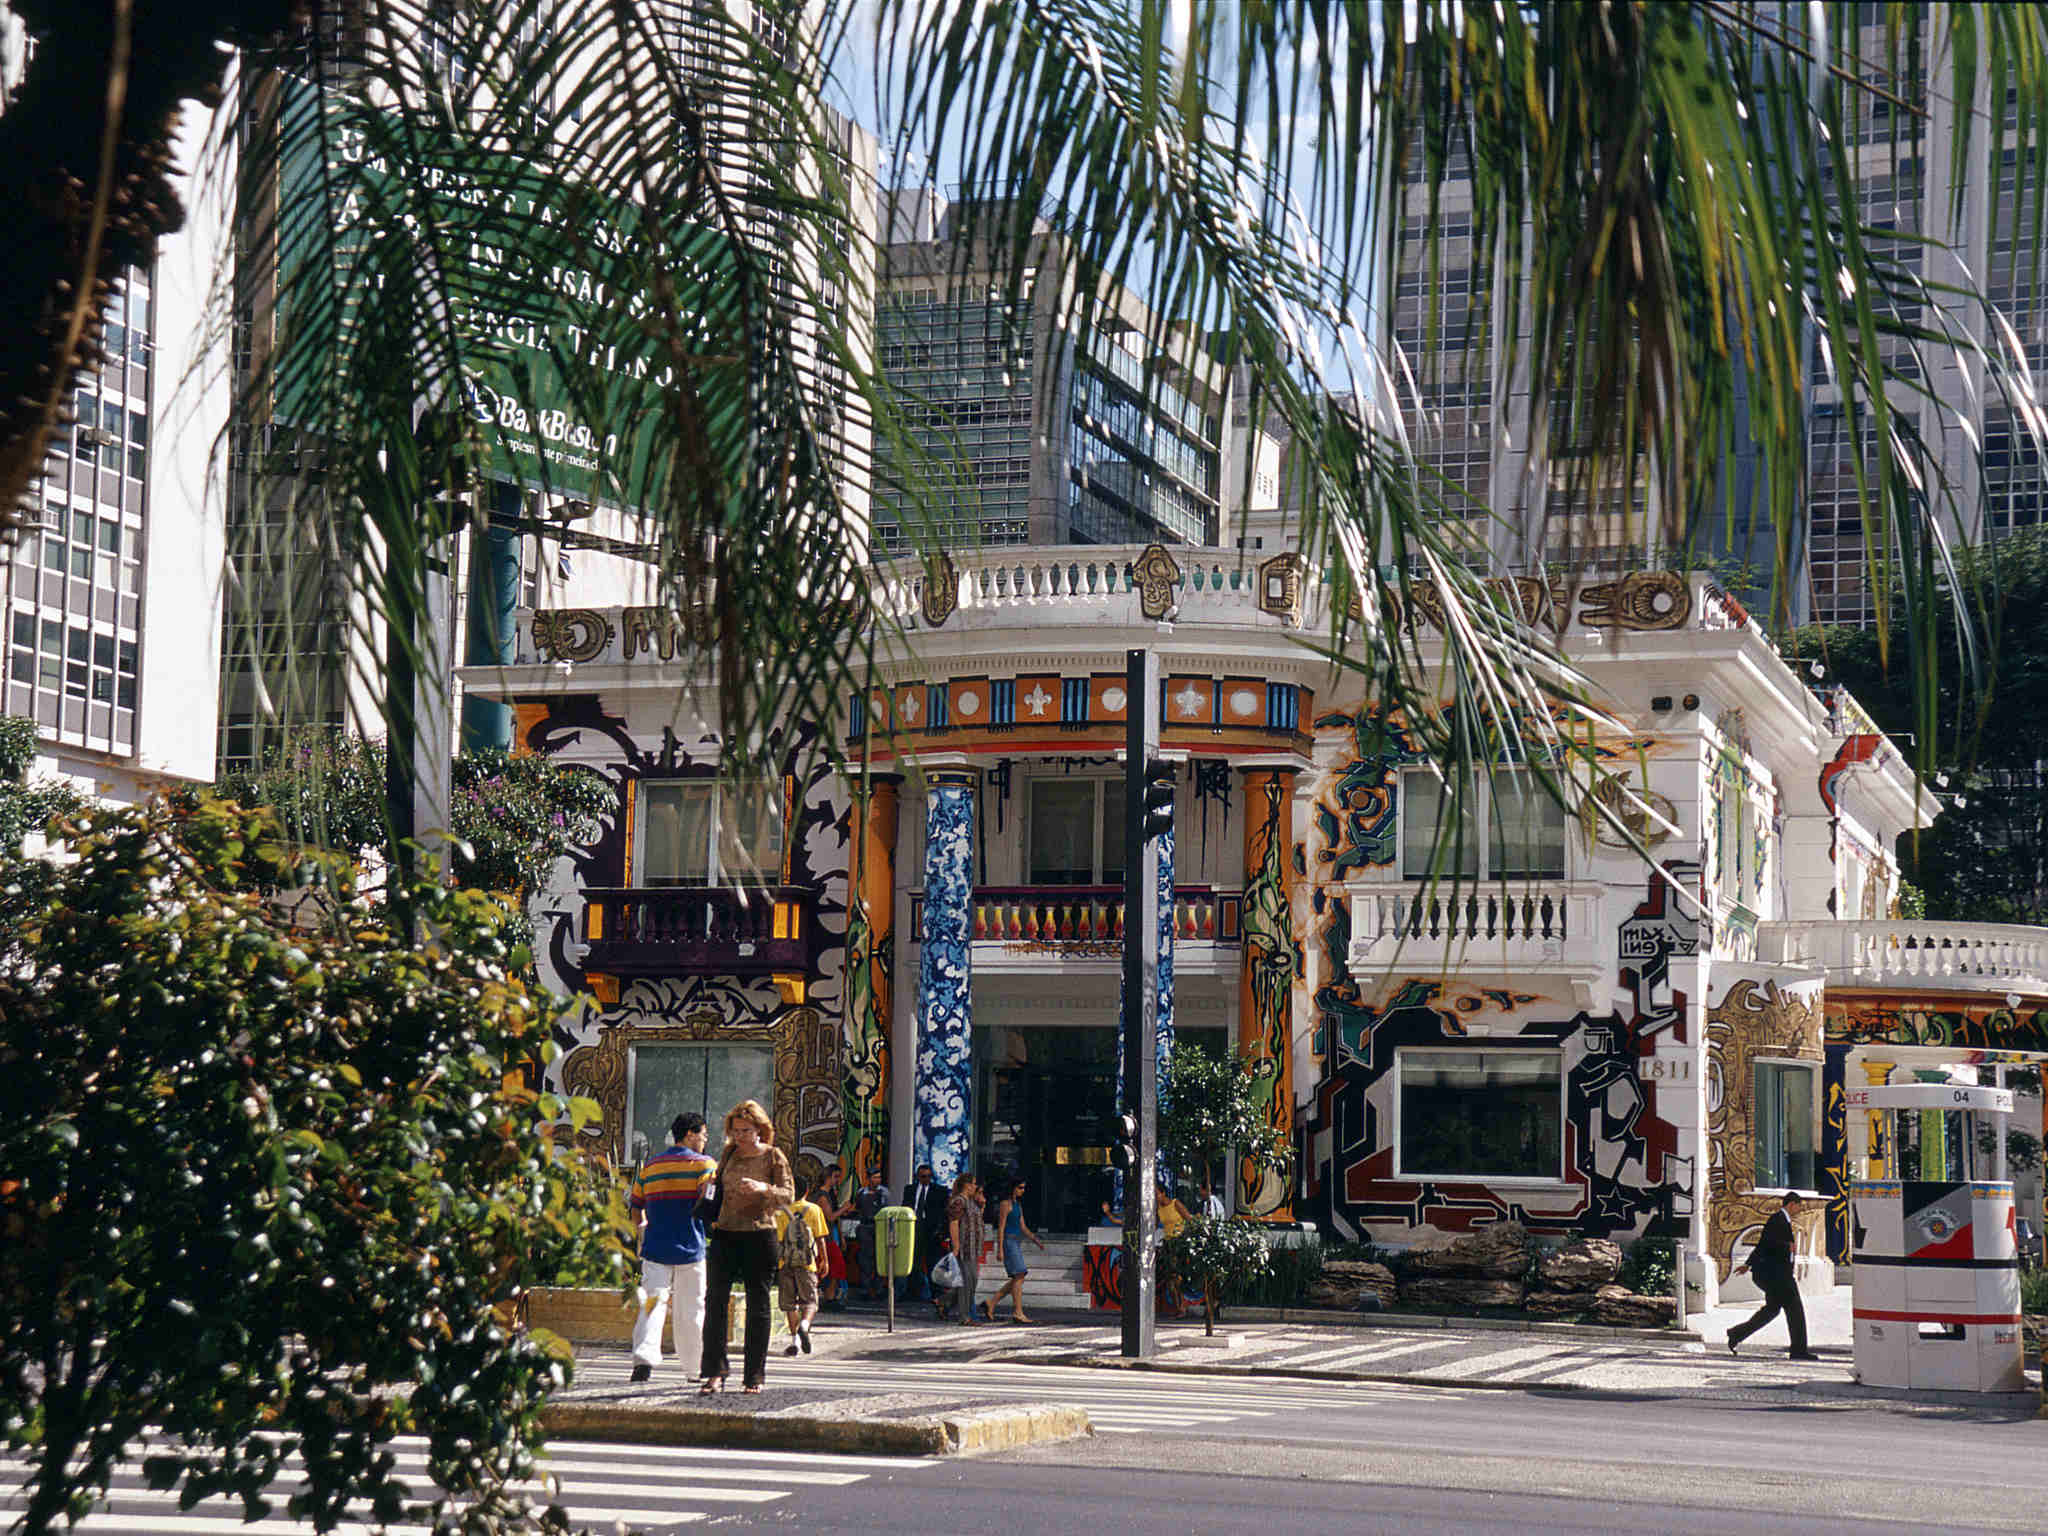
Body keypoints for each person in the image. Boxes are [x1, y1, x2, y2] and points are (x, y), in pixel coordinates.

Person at [699, 1100, 795, 1394]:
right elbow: (716, 1186)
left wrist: (763, 1188)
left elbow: (789, 1195)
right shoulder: (728, 1154)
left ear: (760, 1130)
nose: (740, 1136)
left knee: (758, 1304)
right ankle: (714, 1372)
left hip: (759, 1233)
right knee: (715, 1301)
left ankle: (754, 1375)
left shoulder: (773, 1156)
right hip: (726, 1233)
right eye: (735, 1131)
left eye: (746, 1130)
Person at [627, 1111, 715, 1386]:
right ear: (690, 1134)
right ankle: (693, 1369)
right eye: (703, 1134)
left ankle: (643, 1361)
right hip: (691, 1246)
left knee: (652, 1304)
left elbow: (636, 1205)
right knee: (692, 1310)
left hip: (655, 1246)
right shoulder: (704, 1165)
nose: (705, 1140)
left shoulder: (651, 1166)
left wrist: (641, 1229)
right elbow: (708, 1204)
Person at [1727, 1192, 1818, 1360]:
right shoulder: (1777, 1220)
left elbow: (1765, 1245)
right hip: (1777, 1276)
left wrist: (1748, 1264)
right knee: (1795, 1310)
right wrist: (1786, 1248)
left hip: (1778, 1275)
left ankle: (1736, 1334)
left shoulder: (1782, 1220)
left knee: (1771, 1310)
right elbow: (1766, 1244)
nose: (1800, 1210)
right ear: (1791, 1204)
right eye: (1799, 1206)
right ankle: (1798, 1350)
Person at [775, 1173, 830, 1356]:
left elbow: (779, 1240)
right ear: (807, 1191)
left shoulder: (782, 1211)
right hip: (807, 1264)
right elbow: (820, 1239)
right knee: (810, 1302)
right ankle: (805, 1326)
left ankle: (795, 1342)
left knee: (790, 1305)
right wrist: (824, 1260)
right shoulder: (814, 1210)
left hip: (786, 1263)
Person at [982, 1175, 1046, 1324]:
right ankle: (1017, 1311)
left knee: (1019, 1276)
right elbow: (1001, 1227)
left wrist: (1035, 1239)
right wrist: (999, 1249)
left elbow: (1023, 1226)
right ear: (1013, 1188)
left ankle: (992, 1302)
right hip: (1008, 1242)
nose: (1022, 1191)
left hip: (1015, 1241)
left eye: (1024, 1188)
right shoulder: (1006, 1204)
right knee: (1020, 1273)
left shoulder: (1018, 1205)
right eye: (1020, 1188)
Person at [900, 1163, 949, 1304]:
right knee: (912, 1261)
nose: (926, 1179)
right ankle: (913, 1291)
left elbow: (942, 1212)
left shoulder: (939, 1190)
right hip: (914, 1226)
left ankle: (935, 1293)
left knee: (932, 1262)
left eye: (928, 1176)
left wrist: (940, 1230)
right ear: (918, 1177)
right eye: (923, 1176)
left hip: (930, 1229)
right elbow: (906, 1205)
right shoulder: (910, 1189)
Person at [946, 1172, 985, 1325]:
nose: (975, 1187)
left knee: (972, 1280)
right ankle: (964, 1316)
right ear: (967, 1185)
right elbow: (954, 1223)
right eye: (974, 1184)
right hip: (965, 1247)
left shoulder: (971, 1201)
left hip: (974, 1248)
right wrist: (956, 1246)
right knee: (966, 1282)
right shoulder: (959, 1201)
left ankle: (944, 1302)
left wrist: (982, 1204)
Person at [851, 1165, 890, 1302]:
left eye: (879, 1177)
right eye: (875, 1177)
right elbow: (857, 1208)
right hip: (865, 1227)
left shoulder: (884, 1192)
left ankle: (879, 1288)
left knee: (879, 1258)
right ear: (868, 1179)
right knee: (865, 1259)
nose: (877, 1180)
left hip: (879, 1227)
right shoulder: (861, 1192)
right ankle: (865, 1289)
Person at [813, 1180, 848, 1311]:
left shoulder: (829, 1195)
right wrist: (844, 1208)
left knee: (835, 1267)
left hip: (829, 1236)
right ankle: (822, 1296)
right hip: (824, 1236)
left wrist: (841, 1236)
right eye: (836, 1177)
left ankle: (829, 1296)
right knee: (828, 1266)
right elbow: (831, 1217)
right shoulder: (822, 1196)